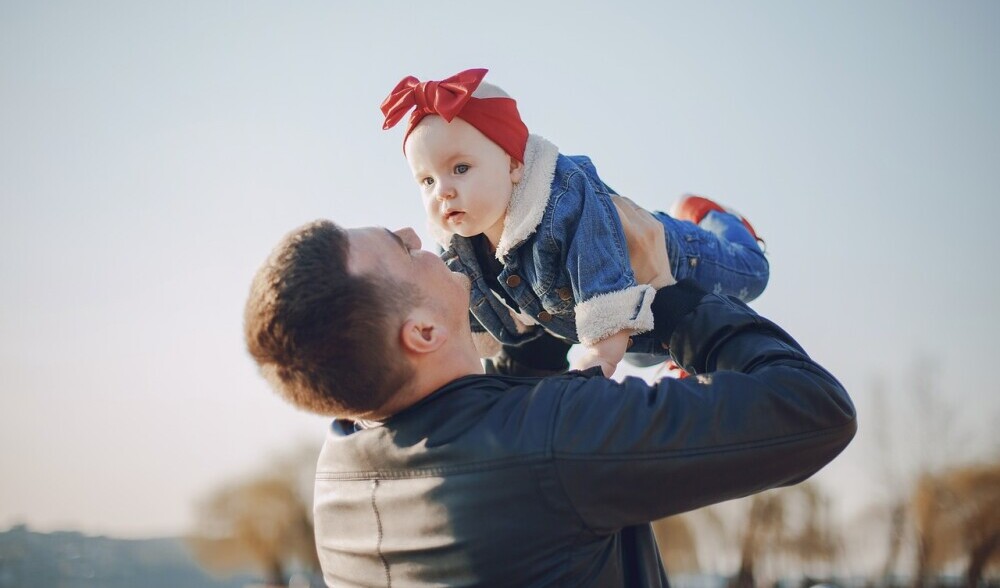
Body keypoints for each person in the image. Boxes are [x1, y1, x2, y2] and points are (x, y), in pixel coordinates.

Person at [243, 199, 856, 587]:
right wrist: (669, 299)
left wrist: (528, 303)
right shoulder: (555, 443)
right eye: (403, 248)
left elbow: (498, 456)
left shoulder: (340, 479)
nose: (414, 232)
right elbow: (813, 410)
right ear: (423, 332)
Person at [380, 67, 770, 376]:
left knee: (753, 273)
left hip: (679, 254)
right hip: (630, 320)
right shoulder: (456, 250)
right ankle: (681, 360)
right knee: (640, 354)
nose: (442, 191)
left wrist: (596, 357)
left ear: (514, 165)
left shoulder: (563, 201)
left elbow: (605, 299)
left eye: (460, 168)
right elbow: (466, 322)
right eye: (427, 180)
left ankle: (715, 217)